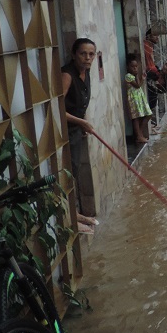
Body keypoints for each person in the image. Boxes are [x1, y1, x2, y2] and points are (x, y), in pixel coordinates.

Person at [61, 37, 99, 235]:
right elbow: (57, 107)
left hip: (75, 130)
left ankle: (73, 213)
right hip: (63, 133)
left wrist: (82, 122)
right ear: (74, 55)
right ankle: (69, 219)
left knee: (73, 172)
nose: (87, 58)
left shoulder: (87, 72)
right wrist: (81, 122)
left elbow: (80, 104)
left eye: (91, 54)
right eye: (83, 54)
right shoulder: (67, 75)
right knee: (67, 174)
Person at [125, 55, 153, 144]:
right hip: (134, 100)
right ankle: (139, 136)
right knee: (136, 118)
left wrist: (137, 75)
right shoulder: (128, 76)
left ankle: (139, 133)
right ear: (128, 67)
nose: (135, 69)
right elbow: (137, 85)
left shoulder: (134, 75)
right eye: (132, 67)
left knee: (148, 115)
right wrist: (142, 79)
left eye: (136, 67)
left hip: (140, 99)